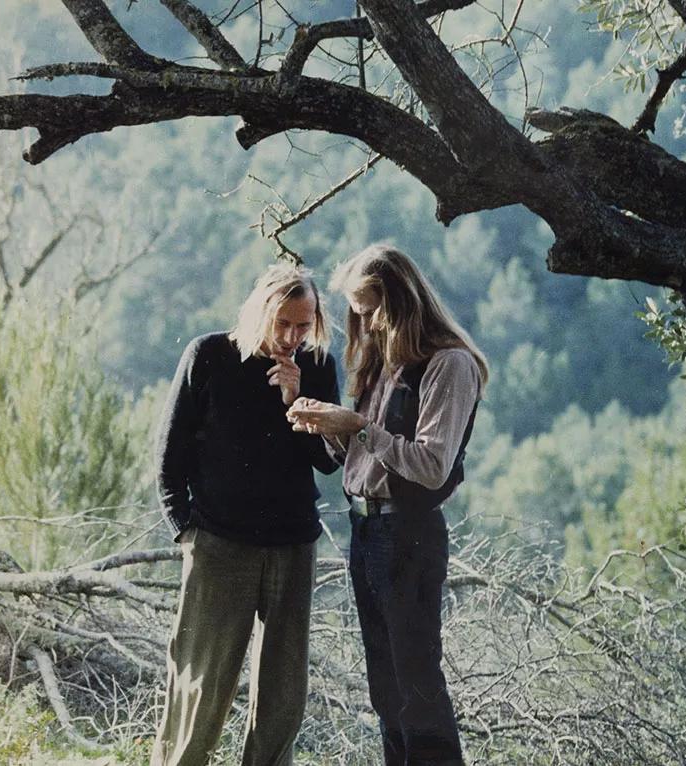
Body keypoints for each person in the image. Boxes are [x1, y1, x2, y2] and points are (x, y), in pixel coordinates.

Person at [286, 244, 488, 766]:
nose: (367, 325)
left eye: (372, 310)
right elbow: (361, 458)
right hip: (368, 533)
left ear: (400, 300)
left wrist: (357, 427)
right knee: (385, 683)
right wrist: (329, 426)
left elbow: (430, 466)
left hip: (410, 535)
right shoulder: (382, 362)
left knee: (416, 682)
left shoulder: (449, 364)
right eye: (359, 312)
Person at [151, 263, 340, 766]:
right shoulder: (209, 355)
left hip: (292, 546)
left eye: (303, 325)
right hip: (219, 544)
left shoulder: (317, 366)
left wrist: (297, 401)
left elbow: (328, 461)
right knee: (201, 682)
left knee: (283, 696)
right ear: (261, 310)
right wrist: (186, 531)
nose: (292, 336)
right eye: (283, 323)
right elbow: (169, 455)